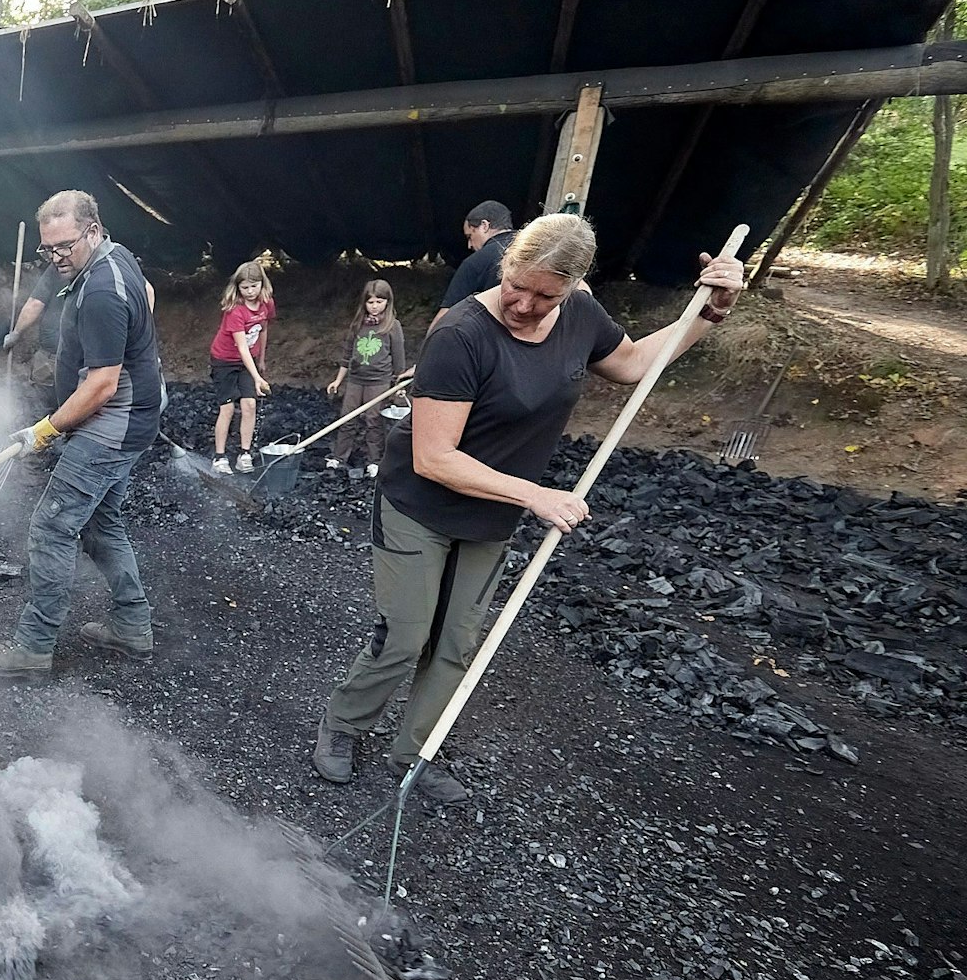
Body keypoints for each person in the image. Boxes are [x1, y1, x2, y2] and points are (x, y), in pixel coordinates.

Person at [309, 214, 743, 804]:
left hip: (490, 515)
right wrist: (536, 495)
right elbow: (435, 457)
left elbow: (635, 365)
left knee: (459, 642)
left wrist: (708, 312)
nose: (526, 304)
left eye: (547, 295)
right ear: (506, 263)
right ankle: (344, 725)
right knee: (407, 637)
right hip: (420, 504)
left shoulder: (581, 318)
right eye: (520, 286)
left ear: (575, 287)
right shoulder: (460, 334)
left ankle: (415, 753)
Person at [0, 190, 163, 676]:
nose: (56, 258)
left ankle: (32, 648)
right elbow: (148, 299)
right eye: (47, 249)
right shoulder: (117, 259)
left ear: (92, 230)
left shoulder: (100, 291)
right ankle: (132, 627)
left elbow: (102, 385)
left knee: (52, 526)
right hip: (133, 415)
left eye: (64, 247)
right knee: (101, 523)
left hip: (112, 425)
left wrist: (46, 430)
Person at [324, 279, 408, 477]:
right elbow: (347, 355)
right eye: (370, 302)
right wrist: (338, 380)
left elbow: (399, 359)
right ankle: (339, 457)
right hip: (355, 379)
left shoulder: (392, 327)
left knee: (374, 420)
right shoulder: (358, 325)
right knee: (347, 417)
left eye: (379, 301)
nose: (374, 306)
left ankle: (375, 460)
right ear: (364, 303)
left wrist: (399, 383)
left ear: (387, 302)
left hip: (379, 381)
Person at [207, 260, 276, 475]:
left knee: (250, 405)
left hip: (249, 361)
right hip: (225, 361)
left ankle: (244, 454)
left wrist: (262, 359)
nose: (249, 291)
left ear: (261, 284)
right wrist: (257, 377)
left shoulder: (266, 304)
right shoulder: (235, 312)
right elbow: (242, 347)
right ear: (237, 288)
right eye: (244, 287)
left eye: (253, 286)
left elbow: (263, 330)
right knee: (227, 408)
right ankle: (219, 457)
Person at [430, 200, 516, 335]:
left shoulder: (476, 262)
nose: (469, 245)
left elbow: (446, 316)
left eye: (470, 236)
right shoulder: (537, 251)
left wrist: (428, 345)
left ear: (484, 226)